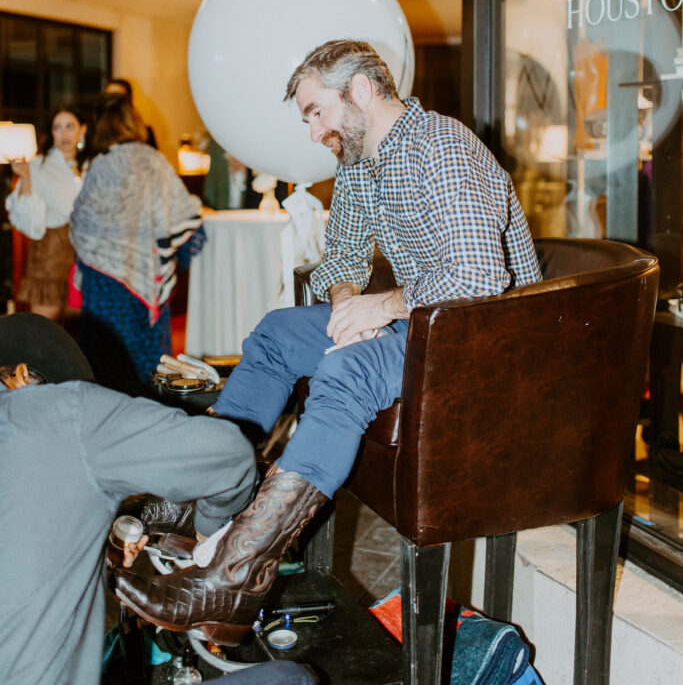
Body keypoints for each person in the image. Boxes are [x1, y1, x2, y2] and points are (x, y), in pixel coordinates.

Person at [116, 38, 542, 641]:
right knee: (274, 334)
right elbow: (340, 256)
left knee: (347, 372)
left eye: (317, 111)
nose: (314, 131)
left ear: (362, 91)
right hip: (422, 323)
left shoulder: (442, 145)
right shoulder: (362, 162)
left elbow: (478, 276)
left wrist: (384, 305)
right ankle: (209, 496)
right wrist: (348, 307)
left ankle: (238, 575)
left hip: (482, 343)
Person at [0, 311, 272, 685]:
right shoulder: (61, 412)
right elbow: (231, 456)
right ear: (21, 375)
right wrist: (208, 533)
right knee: (294, 677)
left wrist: (92, 553)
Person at [70, 94, 205, 395]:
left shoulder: (99, 165)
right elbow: (186, 214)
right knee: (146, 362)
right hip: (145, 275)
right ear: (133, 123)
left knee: (104, 359)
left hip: (103, 279)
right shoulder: (153, 161)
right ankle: (147, 415)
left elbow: (80, 222)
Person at [6, 105, 89, 320]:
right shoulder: (39, 166)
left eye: (70, 126)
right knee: (45, 332)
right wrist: (25, 177)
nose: (64, 133)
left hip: (85, 258)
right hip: (50, 259)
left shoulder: (92, 166)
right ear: (51, 133)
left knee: (79, 333)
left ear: (83, 129)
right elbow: (29, 222)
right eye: (57, 127)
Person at [105, 76, 158, 148]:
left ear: (130, 99)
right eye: (110, 96)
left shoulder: (145, 133)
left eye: (119, 97)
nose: (113, 102)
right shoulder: (96, 132)